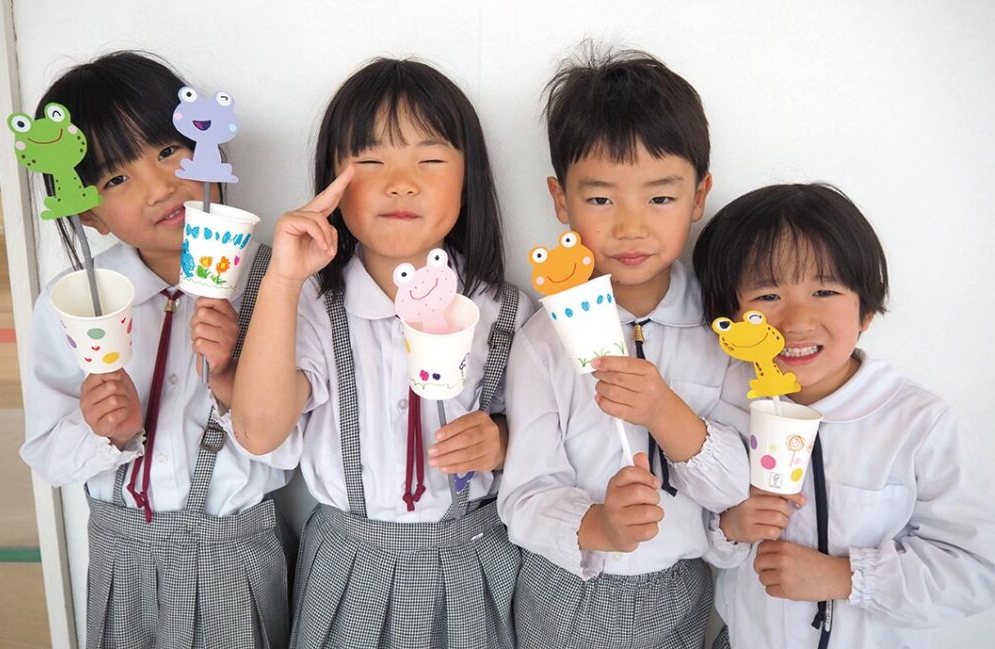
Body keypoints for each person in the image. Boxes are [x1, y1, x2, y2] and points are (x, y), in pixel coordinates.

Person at [232, 58, 534, 648]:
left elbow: (549, 436)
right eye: (370, 162)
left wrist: (501, 439)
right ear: (333, 181)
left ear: (468, 177)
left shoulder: (506, 313)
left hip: (473, 568)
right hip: (347, 571)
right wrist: (284, 279)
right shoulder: (312, 306)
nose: (401, 182)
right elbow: (259, 432)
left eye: (430, 159)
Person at [20, 51, 291, 649]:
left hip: (234, 555)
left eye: (169, 150)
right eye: (117, 179)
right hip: (120, 559)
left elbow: (302, 448)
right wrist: (106, 434)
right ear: (89, 214)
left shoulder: (273, 283)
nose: (160, 187)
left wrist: (234, 377)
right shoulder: (74, 302)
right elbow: (46, 453)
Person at [498, 46, 749, 648]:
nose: (631, 226)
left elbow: (737, 492)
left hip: (680, 589)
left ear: (699, 196)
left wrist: (664, 411)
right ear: (561, 200)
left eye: (660, 197)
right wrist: (600, 526)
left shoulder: (726, 333)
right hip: (564, 589)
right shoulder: (543, 341)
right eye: (601, 198)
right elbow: (524, 498)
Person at [694, 182, 995, 649]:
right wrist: (731, 530)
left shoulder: (919, 425)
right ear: (728, 318)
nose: (796, 321)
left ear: (866, 311)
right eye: (768, 296)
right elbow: (698, 535)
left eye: (824, 290)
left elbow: (976, 569)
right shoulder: (723, 407)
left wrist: (845, 577)